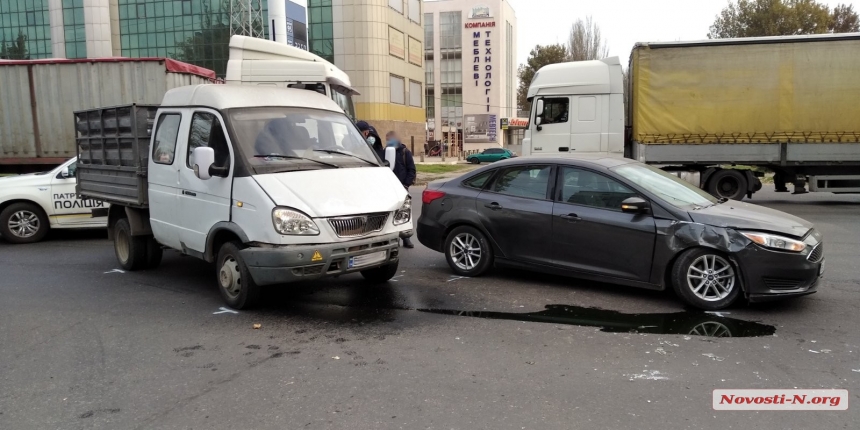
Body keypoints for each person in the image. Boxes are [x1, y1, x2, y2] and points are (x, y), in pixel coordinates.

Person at [385, 131, 417, 248]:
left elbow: (411, 170)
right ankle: (392, 239)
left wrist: (406, 185)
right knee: (390, 213)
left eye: (391, 139)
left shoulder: (405, 152)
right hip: (389, 187)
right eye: (387, 140)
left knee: (404, 213)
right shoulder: (385, 152)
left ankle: (406, 238)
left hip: (402, 187)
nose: (389, 142)